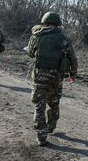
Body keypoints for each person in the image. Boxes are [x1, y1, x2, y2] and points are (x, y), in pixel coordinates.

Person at [26, 12, 78, 146]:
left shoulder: (37, 35)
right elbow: (72, 57)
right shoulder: (63, 37)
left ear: (44, 21)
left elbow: (31, 53)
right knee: (54, 102)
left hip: (40, 77)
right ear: (58, 23)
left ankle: (41, 136)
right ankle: (51, 126)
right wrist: (73, 74)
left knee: (39, 106)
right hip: (56, 77)